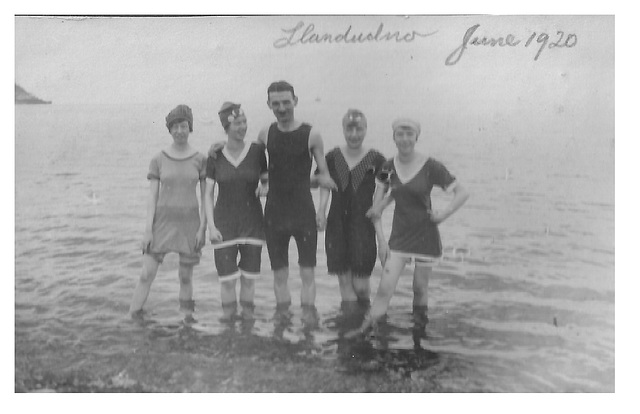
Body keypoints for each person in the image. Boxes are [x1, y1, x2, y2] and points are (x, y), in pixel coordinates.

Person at [351, 117, 469, 336]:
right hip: (398, 238)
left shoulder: (431, 166)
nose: (404, 139)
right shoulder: (387, 167)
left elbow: (462, 193)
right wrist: (382, 241)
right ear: (394, 137)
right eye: (400, 134)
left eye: (409, 134)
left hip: (426, 237)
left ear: (416, 137)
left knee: (419, 288)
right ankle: (364, 330)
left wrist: (442, 215)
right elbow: (375, 209)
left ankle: (419, 337)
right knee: (384, 289)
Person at [257, 80, 336, 318]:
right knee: (279, 276)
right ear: (269, 104)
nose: (282, 108)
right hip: (274, 215)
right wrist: (264, 184)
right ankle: (281, 325)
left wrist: (322, 211)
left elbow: (324, 178)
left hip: (304, 214)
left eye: (286, 102)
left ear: (296, 101)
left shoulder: (311, 134)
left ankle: (309, 327)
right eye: (276, 103)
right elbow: (257, 168)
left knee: (308, 275)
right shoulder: (265, 134)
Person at [129, 105, 207, 317]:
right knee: (146, 274)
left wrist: (203, 228)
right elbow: (152, 197)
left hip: (189, 224)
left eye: (183, 125)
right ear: (169, 129)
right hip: (162, 223)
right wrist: (148, 230)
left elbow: (206, 197)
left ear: (190, 127)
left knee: (185, 277)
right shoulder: (158, 159)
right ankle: (132, 318)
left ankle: (187, 323)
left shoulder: (200, 159)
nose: (180, 130)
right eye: (175, 126)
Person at [315, 109, 387, 310]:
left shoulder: (377, 160)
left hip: (362, 227)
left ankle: (364, 324)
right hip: (337, 225)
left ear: (366, 129)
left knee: (361, 286)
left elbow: (380, 199)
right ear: (343, 129)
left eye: (359, 129)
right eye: (349, 129)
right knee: (345, 285)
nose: (354, 134)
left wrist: (381, 238)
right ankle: (348, 330)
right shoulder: (332, 157)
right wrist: (321, 210)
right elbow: (324, 184)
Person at [204, 102, 268, 320]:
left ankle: (248, 330)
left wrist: (265, 187)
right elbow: (207, 194)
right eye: (237, 124)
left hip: (253, 225)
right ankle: (229, 331)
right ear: (226, 127)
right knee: (228, 282)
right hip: (224, 227)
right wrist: (211, 227)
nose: (242, 127)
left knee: (249, 282)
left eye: (244, 122)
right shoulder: (215, 156)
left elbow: (266, 178)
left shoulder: (258, 151)